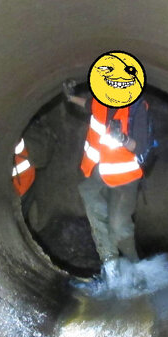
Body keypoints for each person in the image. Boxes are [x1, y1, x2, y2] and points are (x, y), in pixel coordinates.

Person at [63, 52, 152, 273]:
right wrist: (70, 97)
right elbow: (88, 105)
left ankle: (136, 268)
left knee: (118, 226)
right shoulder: (101, 101)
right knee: (94, 209)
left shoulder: (137, 109)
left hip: (124, 179)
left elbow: (140, 146)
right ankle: (110, 264)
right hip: (96, 173)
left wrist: (122, 138)